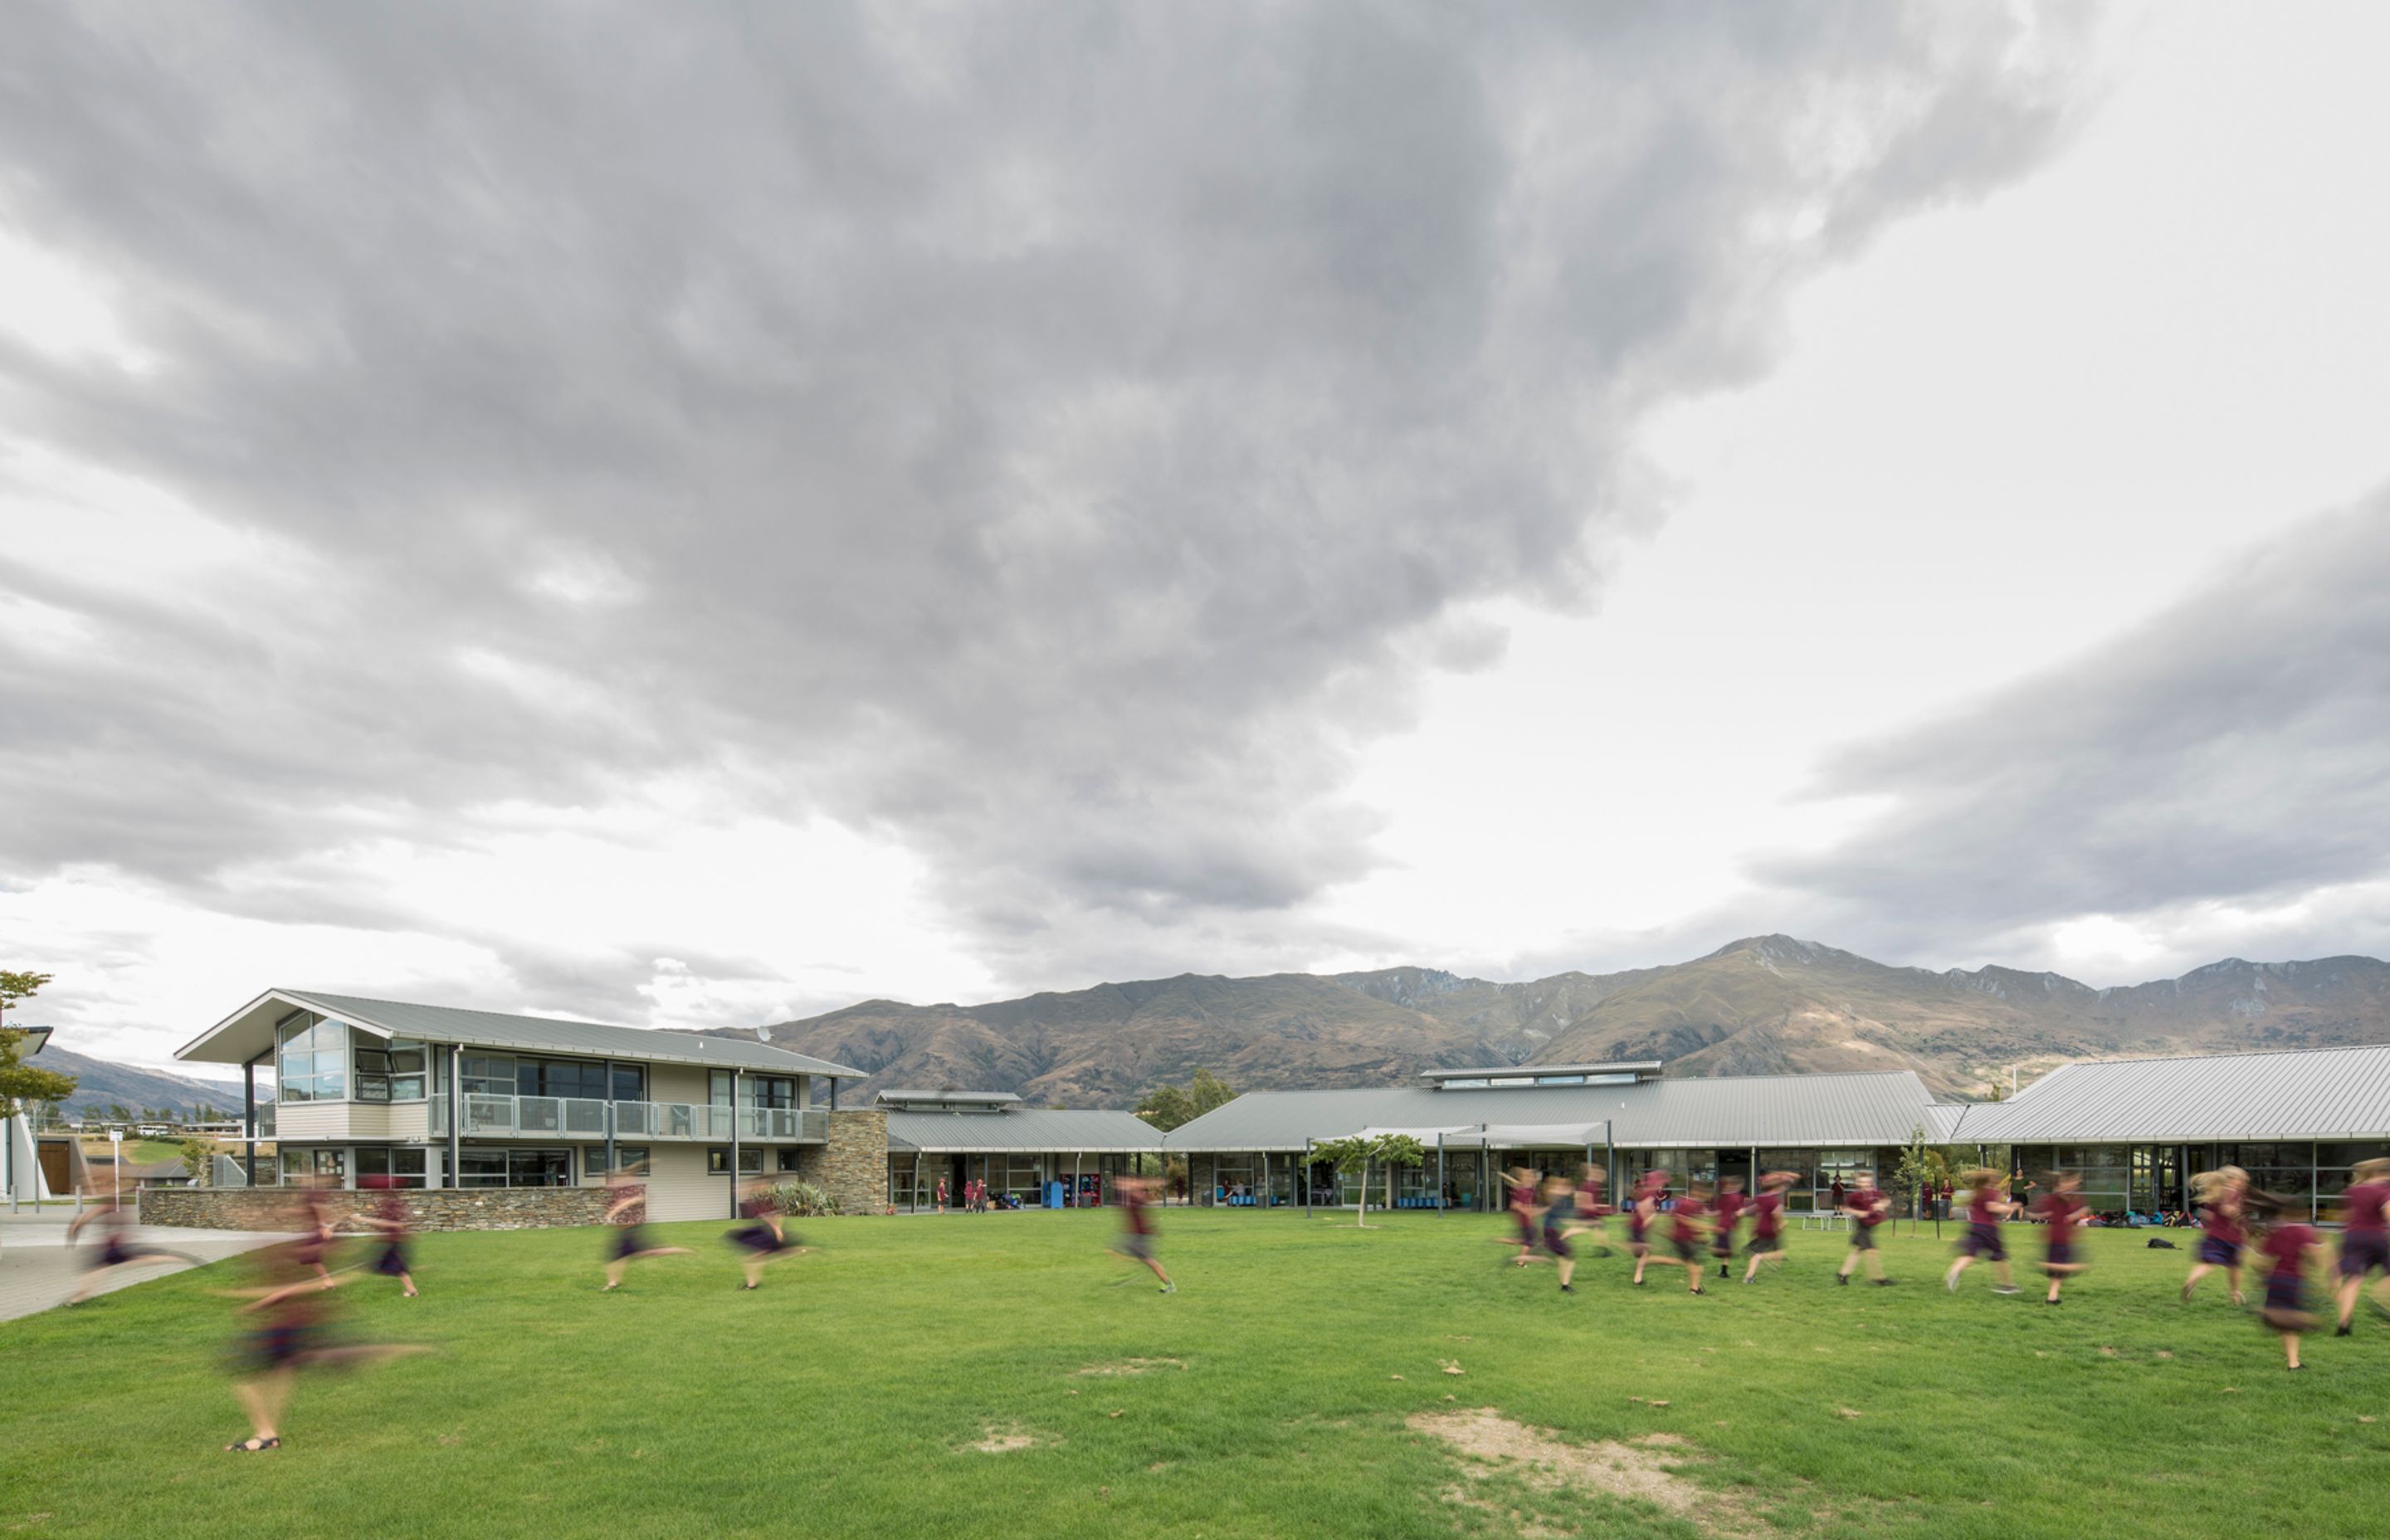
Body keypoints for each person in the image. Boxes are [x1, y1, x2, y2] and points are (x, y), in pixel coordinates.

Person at [218, 1215, 429, 1452]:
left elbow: (291, 1289)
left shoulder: (285, 1252)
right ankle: (269, 1435)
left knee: (244, 1377)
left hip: (288, 1328)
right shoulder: (298, 1247)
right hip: (297, 1327)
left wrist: (257, 1304)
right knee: (281, 1373)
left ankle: (266, 1434)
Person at [63, 1193, 201, 1305]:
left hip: (112, 1249)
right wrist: (74, 1234)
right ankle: (181, 1258)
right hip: (115, 1249)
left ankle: (75, 1300)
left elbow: (81, 1221)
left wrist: (73, 1236)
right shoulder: (111, 1207)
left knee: (93, 1274)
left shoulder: (106, 1207)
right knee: (145, 1259)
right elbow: (82, 1221)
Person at [2252, 1191, 2326, 1370]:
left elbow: (2263, 1262)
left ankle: (2293, 1362)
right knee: (2294, 1321)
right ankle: (2307, 1328)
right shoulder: (2304, 1232)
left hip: (2276, 1281)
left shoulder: (2276, 1233)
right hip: (2294, 1282)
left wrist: (2263, 1276)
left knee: (2286, 1324)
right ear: (2302, 1213)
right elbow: (2314, 1257)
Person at [600, 1170, 692, 1291]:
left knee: (648, 1252)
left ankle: (680, 1250)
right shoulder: (620, 1191)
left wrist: (615, 1210)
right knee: (616, 1256)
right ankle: (613, 1282)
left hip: (634, 1230)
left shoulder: (635, 1189)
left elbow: (636, 1200)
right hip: (624, 1231)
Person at [2334, 1156, 2390, 1336]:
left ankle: (2343, 1325)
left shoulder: (2352, 1191)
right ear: (2380, 1173)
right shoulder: (2382, 1191)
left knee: (2353, 1280)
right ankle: (2378, 1296)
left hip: (2352, 1237)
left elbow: (2343, 1217)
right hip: (2376, 1237)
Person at [1944, 1167, 2021, 1295]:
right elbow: (1992, 1207)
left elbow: (1970, 1207)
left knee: (1970, 1255)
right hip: (1988, 1229)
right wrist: (2010, 1208)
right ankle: (2008, 1286)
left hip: (1974, 1227)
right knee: (2000, 1256)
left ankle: (1953, 1272)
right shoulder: (1990, 1193)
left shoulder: (1976, 1193)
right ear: (1991, 1180)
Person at [2183, 1166, 2249, 1306]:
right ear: (2232, 1179)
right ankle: (2235, 1293)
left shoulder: (2214, 1194)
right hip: (2233, 1238)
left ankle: (2191, 1281)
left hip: (2213, 1237)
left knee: (2207, 1263)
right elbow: (2231, 1212)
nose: (2243, 1183)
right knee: (2235, 1267)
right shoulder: (2235, 1194)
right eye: (2242, 1180)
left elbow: (2207, 1215)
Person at [725, 1180, 806, 1289]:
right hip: (760, 1232)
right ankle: (752, 1284)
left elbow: (775, 1215)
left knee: (753, 1259)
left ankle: (751, 1285)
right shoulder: (755, 1199)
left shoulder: (766, 1200)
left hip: (766, 1234)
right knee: (757, 1259)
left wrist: (777, 1230)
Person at [350, 1177, 419, 1298]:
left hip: (394, 1240)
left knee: (394, 1266)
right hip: (392, 1240)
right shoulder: (390, 1202)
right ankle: (411, 1290)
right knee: (395, 1266)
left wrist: (363, 1219)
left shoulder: (390, 1203)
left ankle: (412, 1290)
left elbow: (390, 1223)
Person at [2036, 1170, 2090, 1304]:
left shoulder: (2064, 1197)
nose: (2077, 1185)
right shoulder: (2061, 1197)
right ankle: (2044, 1265)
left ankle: (2052, 1298)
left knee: (2058, 1275)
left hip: (2060, 1237)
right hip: (2060, 1237)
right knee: (2071, 1267)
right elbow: (2070, 1215)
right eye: (2074, 1182)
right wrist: (2079, 1212)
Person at [1113, 1175, 1174, 1293]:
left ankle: (1168, 1283)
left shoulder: (1139, 1197)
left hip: (1141, 1234)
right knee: (1142, 1258)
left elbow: (1147, 1210)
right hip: (1135, 1234)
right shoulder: (1130, 1196)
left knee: (1149, 1260)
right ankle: (1163, 1281)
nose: (1126, 1184)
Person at [1835, 1172, 1891, 1286]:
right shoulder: (1855, 1196)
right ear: (1858, 1183)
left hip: (1870, 1226)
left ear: (1870, 1182)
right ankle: (1879, 1278)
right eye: (1862, 1182)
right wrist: (1858, 1213)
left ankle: (1843, 1274)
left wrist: (1881, 1205)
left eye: (1867, 1181)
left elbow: (1886, 1200)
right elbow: (1844, 1208)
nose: (1864, 1184)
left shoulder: (1875, 1193)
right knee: (1872, 1251)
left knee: (1858, 1251)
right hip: (1863, 1227)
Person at [1742, 1171, 1793, 1283]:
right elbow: (1776, 1214)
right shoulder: (1775, 1200)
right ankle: (1760, 1257)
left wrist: (1753, 1229)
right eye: (1781, 1187)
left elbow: (1755, 1212)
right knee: (1778, 1254)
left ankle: (1748, 1277)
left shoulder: (1760, 1197)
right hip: (1770, 1229)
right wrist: (1781, 1224)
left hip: (1760, 1228)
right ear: (1776, 1188)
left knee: (1762, 1253)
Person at [1539, 1172, 1582, 1294]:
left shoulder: (1553, 1198)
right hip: (1552, 1231)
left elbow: (1558, 1217)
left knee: (1562, 1258)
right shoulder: (1553, 1197)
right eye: (1559, 1186)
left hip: (1551, 1230)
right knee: (1569, 1258)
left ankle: (1564, 1284)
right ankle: (1565, 1285)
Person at [1668, 1180, 1710, 1296]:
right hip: (1682, 1238)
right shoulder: (1689, 1204)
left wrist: (1700, 1235)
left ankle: (1694, 1287)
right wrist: (1708, 1230)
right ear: (1696, 1192)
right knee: (1696, 1264)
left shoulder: (1691, 1203)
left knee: (1693, 1263)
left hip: (1684, 1238)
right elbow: (1685, 1221)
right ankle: (1694, 1288)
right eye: (1704, 1193)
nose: (1706, 1195)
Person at [1498, 1167, 1541, 1268]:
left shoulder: (1528, 1189)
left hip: (1527, 1220)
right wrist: (1528, 1214)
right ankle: (1520, 1262)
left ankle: (1504, 1240)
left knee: (1531, 1239)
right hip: (1526, 1220)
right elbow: (1515, 1205)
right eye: (1531, 1177)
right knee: (1529, 1242)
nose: (1534, 1179)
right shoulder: (1524, 1191)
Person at [1627, 1172, 1665, 1286]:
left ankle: (1638, 1278)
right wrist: (1648, 1219)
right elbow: (1642, 1206)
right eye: (1659, 1181)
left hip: (1637, 1227)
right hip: (1639, 1227)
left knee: (1644, 1253)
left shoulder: (1648, 1192)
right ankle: (1637, 1278)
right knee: (1645, 1253)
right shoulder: (1650, 1193)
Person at [1710, 1177, 1744, 1279]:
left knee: (1725, 1248)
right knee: (1726, 1250)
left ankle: (1724, 1270)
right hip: (1728, 1225)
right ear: (1727, 1185)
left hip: (1719, 1225)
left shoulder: (1717, 1197)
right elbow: (1739, 1213)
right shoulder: (1734, 1197)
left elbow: (1716, 1212)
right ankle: (1724, 1270)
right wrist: (1737, 1222)